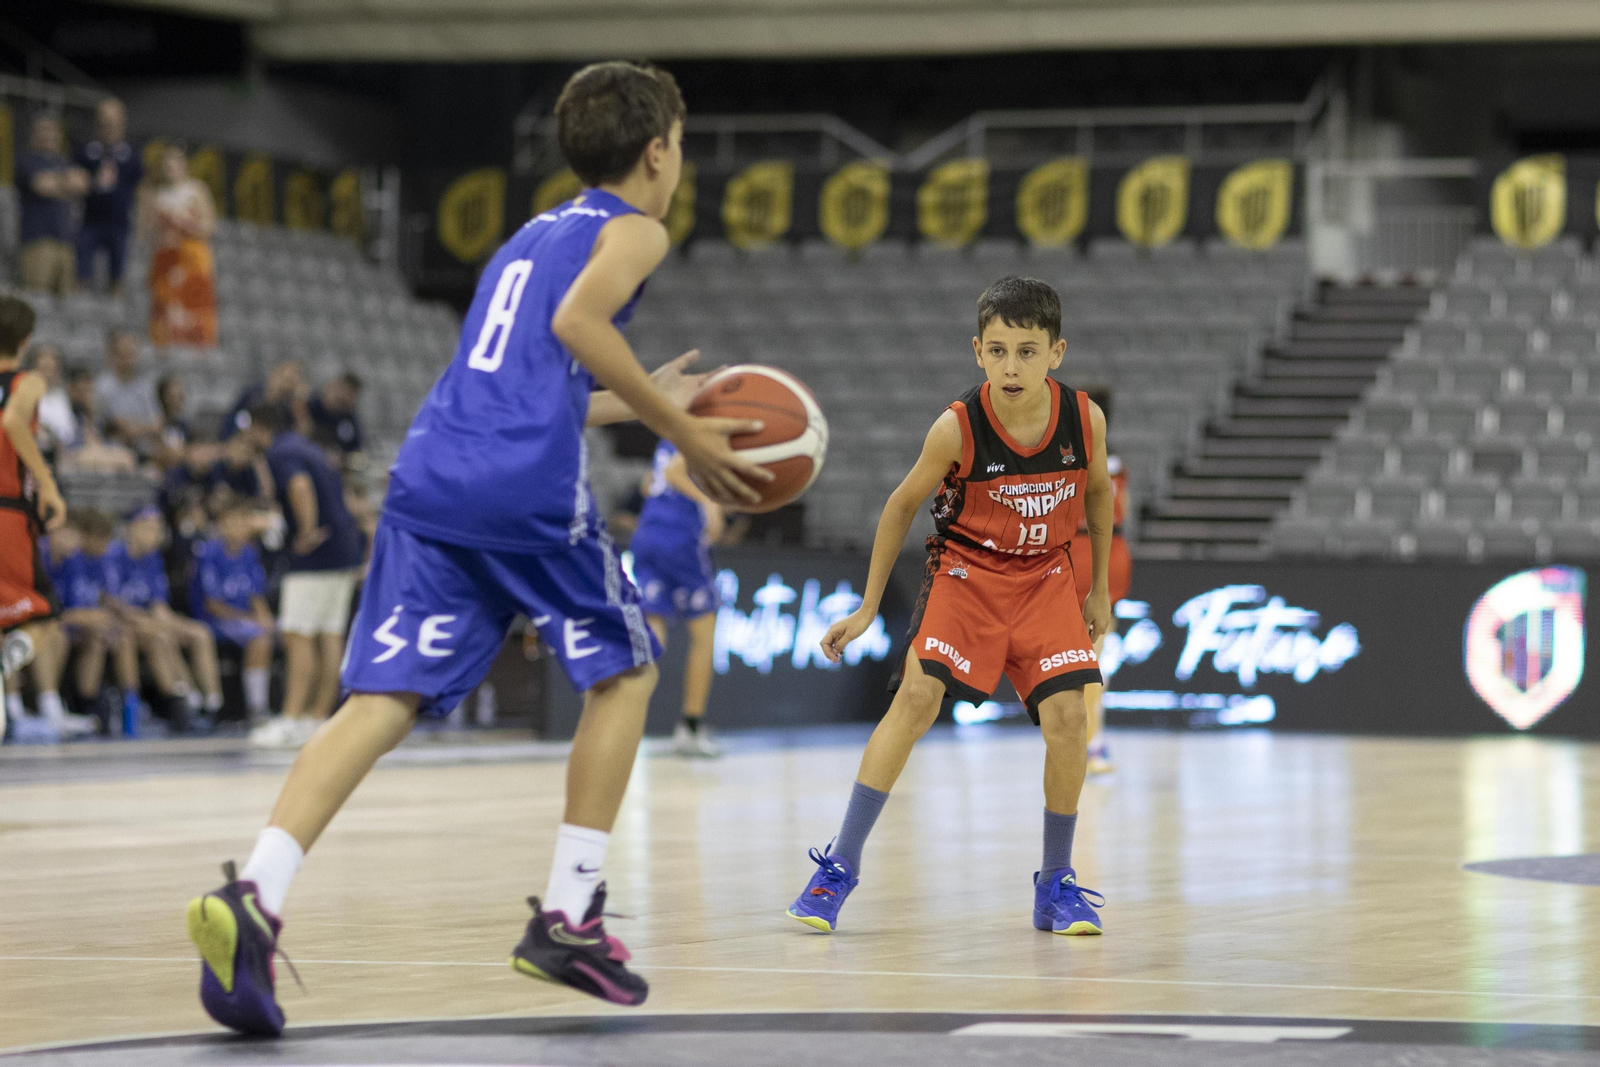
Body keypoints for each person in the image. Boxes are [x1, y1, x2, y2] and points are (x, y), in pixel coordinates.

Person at [183, 60, 770, 1037]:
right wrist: (680, 427)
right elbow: (579, 323)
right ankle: (570, 913)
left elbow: (531, 375)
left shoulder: (530, 236)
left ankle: (256, 892)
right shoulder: (637, 228)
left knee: (381, 700)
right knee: (627, 669)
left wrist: (637, 397)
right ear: (656, 152)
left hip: (430, 475)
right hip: (521, 487)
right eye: (680, 144)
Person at [785, 276, 1114, 939]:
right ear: (977, 351)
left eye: (1027, 351)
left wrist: (1099, 587)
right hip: (968, 574)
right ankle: (839, 866)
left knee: (1069, 718)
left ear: (1056, 353)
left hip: (1046, 577)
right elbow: (900, 506)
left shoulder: (1085, 420)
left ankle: (1056, 883)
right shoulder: (956, 427)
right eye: (998, 351)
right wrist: (868, 607)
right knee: (915, 699)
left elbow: (1099, 493)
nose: (1011, 367)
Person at [240, 402, 362, 750]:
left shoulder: (281, 452)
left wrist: (306, 531)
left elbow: (299, 486)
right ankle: (317, 719)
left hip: (315, 556)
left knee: (298, 634)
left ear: (260, 426)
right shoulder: (307, 447)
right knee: (329, 634)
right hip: (342, 550)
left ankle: (292, 718)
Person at [0, 294, 92, 742]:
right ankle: (7, 667)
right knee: (44, 614)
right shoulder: (28, 380)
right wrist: (47, 482)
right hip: (8, 514)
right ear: (26, 340)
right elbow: (13, 422)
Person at [631, 440, 725, 757]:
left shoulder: (668, 434)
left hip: (648, 534)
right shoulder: (705, 425)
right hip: (680, 538)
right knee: (704, 634)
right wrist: (709, 502)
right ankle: (691, 728)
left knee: (653, 631)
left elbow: (648, 484)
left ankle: (618, 711)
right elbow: (674, 472)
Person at [105, 506, 223, 729]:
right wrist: (160, 624)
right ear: (131, 529)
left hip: (148, 619)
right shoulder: (113, 556)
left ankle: (213, 703)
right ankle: (186, 698)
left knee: (200, 633)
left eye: (158, 529)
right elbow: (115, 605)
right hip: (123, 622)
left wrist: (170, 623)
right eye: (150, 528)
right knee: (161, 634)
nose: (156, 535)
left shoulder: (153, 558)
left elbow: (159, 605)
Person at [1068, 387, 1132, 777]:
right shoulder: (1116, 460)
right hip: (1112, 552)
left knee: (1085, 657)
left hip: (1080, 552)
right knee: (1093, 655)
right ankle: (1091, 741)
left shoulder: (1068, 454)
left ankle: (1089, 742)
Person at [46, 511, 140, 729]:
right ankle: (80, 704)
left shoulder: (86, 561)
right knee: (91, 633)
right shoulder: (67, 560)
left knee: (115, 634)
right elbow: (61, 610)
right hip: (59, 624)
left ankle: (129, 703)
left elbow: (99, 596)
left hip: (74, 624)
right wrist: (84, 617)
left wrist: (112, 612)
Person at [192, 503, 275, 723]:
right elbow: (213, 604)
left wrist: (264, 617)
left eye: (242, 522)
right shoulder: (208, 553)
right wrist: (251, 620)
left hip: (244, 619)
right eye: (231, 522)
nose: (237, 527)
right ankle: (257, 707)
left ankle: (291, 707)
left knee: (286, 632)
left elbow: (256, 595)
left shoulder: (249, 553)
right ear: (220, 526)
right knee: (259, 638)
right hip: (216, 620)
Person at [148, 145, 217, 348]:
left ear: (183, 166)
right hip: (167, 257)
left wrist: (185, 223)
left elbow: (208, 227)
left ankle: (198, 346)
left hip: (192, 257)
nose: (170, 170)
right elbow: (152, 232)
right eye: (166, 166)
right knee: (166, 307)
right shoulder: (159, 195)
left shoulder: (195, 190)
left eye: (174, 165)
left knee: (194, 307)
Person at [74, 98, 142, 295]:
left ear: (122, 122)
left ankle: (115, 305)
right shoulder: (87, 151)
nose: (108, 126)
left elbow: (140, 188)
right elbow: (75, 179)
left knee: (117, 275)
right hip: (90, 220)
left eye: (112, 121)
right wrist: (91, 182)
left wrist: (141, 221)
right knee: (81, 273)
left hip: (119, 222)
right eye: (104, 121)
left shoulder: (132, 154)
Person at [16, 115, 88, 296]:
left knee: (66, 302)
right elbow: (42, 186)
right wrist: (66, 182)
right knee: (37, 298)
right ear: (33, 135)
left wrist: (57, 183)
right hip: (38, 243)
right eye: (42, 130)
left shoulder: (63, 161)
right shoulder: (28, 161)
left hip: (65, 243)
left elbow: (82, 183)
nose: (47, 135)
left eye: (51, 130)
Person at [95, 330, 164, 454]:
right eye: (124, 353)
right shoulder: (104, 386)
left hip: (148, 448)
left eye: (132, 353)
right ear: (113, 355)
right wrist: (146, 428)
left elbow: (158, 424)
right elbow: (125, 428)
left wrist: (139, 428)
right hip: (116, 449)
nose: (129, 358)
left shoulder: (145, 385)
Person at [223, 360, 306, 440]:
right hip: (246, 437)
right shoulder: (253, 394)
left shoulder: (291, 403)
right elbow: (237, 421)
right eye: (284, 378)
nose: (285, 384)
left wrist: (299, 405)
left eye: (290, 381)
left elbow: (302, 433)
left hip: (279, 442)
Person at [28, 346, 78, 460]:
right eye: (44, 368)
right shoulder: (26, 396)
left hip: (65, 451)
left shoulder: (61, 396)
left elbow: (70, 431)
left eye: (52, 369)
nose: (48, 374)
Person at [307, 372, 364, 466]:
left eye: (353, 396)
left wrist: (344, 458)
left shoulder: (350, 418)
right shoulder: (313, 407)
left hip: (339, 467)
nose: (348, 399)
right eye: (346, 392)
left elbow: (356, 449)